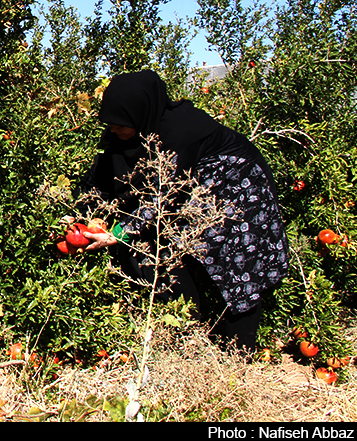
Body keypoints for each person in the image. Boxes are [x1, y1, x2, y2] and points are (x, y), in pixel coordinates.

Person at [75, 70, 289, 352]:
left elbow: (162, 199)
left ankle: (236, 360)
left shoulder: (182, 133)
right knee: (157, 248)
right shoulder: (126, 132)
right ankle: (186, 336)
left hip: (236, 195)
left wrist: (117, 232)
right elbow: (100, 177)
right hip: (193, 196)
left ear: (140, 114)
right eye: (109, 122)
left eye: (119, 123)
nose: (113, 129)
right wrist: (88, 210)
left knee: (237, 271)